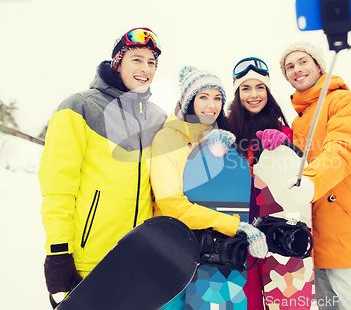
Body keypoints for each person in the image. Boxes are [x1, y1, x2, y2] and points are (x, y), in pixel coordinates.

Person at [39, 27, 168, 294]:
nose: (145, 68)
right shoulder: (79, 107)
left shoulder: (158, 118)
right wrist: (58, 251)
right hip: (90, 261)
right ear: (117, 62)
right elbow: (58, 188)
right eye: (137, 59)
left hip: (140, 259)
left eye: (151, 62)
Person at [150, 66, 268, 308]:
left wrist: (223, 160)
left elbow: (224, 195)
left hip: (213, 253)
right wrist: (236, 225)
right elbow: (172, 204)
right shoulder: (167, 138)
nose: (211, 105)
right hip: (174, 249)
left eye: (217, 98)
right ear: (188, 101)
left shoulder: (220, 140)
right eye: (203, 97)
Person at [278, 41, 351, 310]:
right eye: (289, 66)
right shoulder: (299, 120)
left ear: (319, 65)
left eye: (303, 61)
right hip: (315, 242)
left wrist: (310, 181)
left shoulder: (345, 101)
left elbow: (342, 150)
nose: (297, 69)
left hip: (348, 236)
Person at [227, 57, 293, 309]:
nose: (253, 95)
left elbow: (296, 179)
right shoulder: (225, 129)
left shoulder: (283, 131)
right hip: (240, 229)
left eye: (260, 87)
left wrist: (286, 146)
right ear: (237, 93)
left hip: (277, 226)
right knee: (248, 300)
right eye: (245, 88)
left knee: (282, 298)